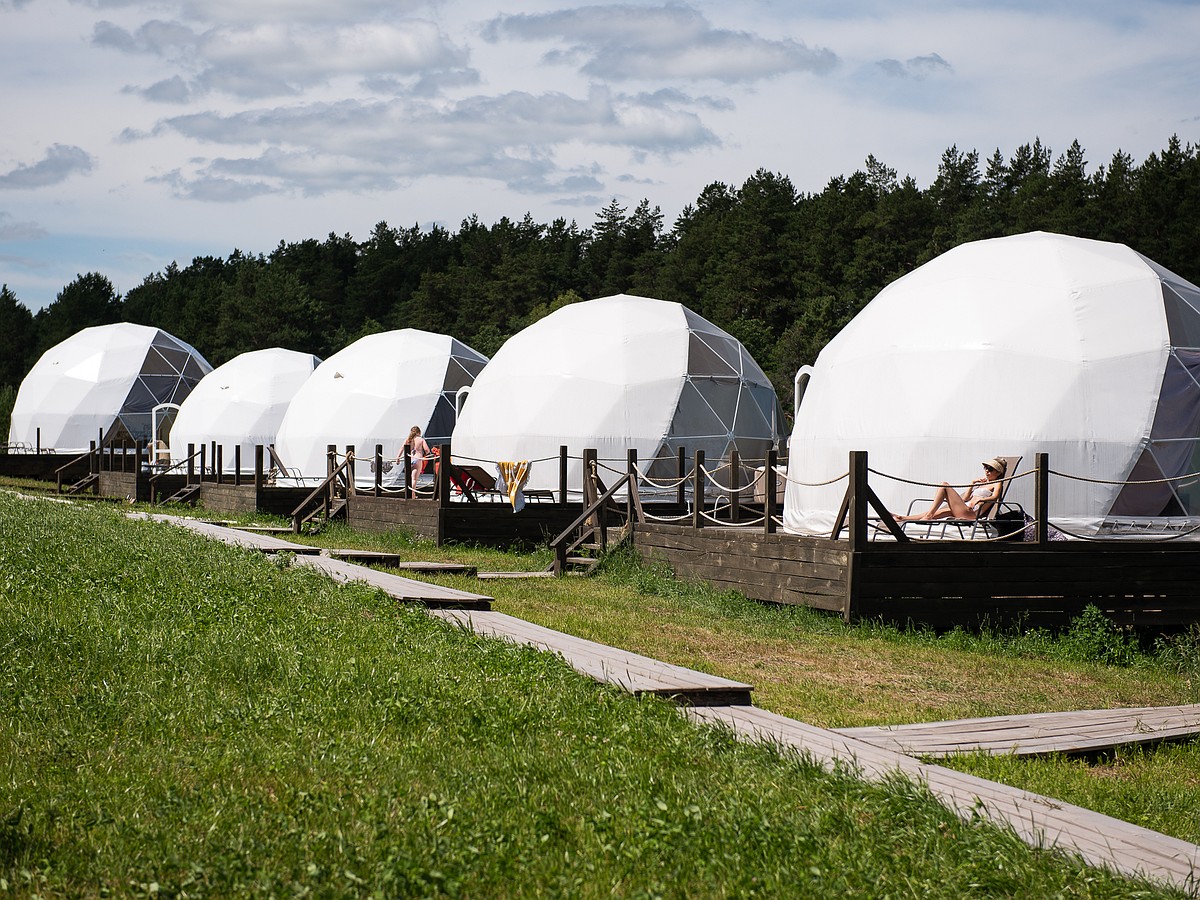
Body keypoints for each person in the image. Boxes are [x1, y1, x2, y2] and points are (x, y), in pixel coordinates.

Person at [896, 457, 1007, 522]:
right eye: (986, 468)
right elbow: (965, 498)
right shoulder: (981, 484)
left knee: (944, 485)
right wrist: (972, 484)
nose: (987, 471)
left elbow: (995, 496)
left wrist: (981, 500)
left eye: (990, 469)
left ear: (998, 472)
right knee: (937, 513)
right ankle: (903, 518)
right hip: (965, 508)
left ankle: (928, 517)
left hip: (971, 513)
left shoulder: (997, 483)